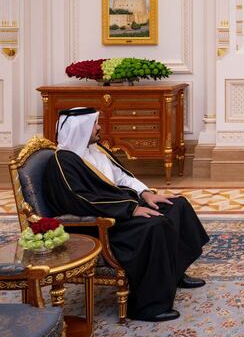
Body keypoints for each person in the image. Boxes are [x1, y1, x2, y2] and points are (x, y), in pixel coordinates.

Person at [44, 107, 209, 322]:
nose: (99, 127)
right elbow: (80, 201)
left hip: (120, 207)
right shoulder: (63, 161)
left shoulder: (96, 150)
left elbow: (122, 177)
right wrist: (131, 209)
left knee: (178, 206)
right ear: (80, 129)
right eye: (94, 124)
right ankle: (148, 307)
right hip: (102, 223)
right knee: (156, 225)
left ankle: (175, 273)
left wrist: (146, 193)